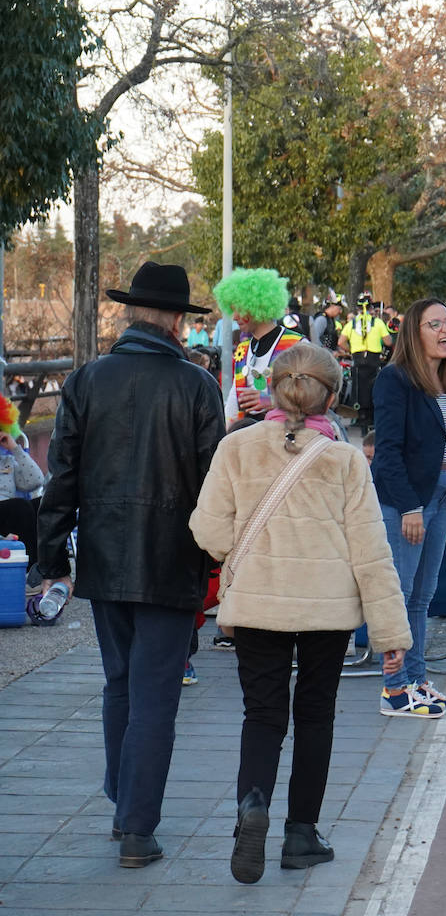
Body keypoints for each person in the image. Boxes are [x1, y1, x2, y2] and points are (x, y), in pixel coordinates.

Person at [188, 343, 412, 884]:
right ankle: (301, 834)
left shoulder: (236, 448)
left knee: (262, 715)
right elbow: (370, 552)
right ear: (331, 395)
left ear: (271, 390)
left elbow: (208, 532)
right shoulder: (345, 461)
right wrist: (390, 633)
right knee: (316, 716)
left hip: (259, 605)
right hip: (328, 612)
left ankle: (252, 807)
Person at [35, 261, 225, 868]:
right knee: (155, 695)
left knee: (120, 683)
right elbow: (213, 487)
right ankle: (138, 826)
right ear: (175, 320)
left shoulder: (87, 380)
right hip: (174, 559)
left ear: (130, 314)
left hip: (106, 555)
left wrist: (51, 558)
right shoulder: (198, 387)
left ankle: (125, 805)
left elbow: (59, 478)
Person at [371, 298, 446, 717]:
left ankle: (416, 681)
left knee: (422, 597)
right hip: (409, 503)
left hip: (440, 496)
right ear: (413, 334)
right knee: (398, 597)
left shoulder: (444, 382)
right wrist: (409, 507)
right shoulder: (394, 380)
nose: (445, 330)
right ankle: (393, 690)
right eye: (433, 324)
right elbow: (388, 453)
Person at [215, 268, 307, 424]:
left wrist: (272, 401)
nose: (235, 316)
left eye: (241, 309)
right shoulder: (242, 349)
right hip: (250, 437)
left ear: (258, 306)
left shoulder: (297, 345)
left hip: (286, 435)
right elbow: (234, 399)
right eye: (233, 309)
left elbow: (314, 391)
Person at [0, 401, 47, 591]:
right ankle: (27, 572)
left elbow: (36, 481)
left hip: (10, 514)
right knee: (20, 506)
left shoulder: (7, 460)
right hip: (10, 510)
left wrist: (15, 449)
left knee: (42, 504)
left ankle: (43, 569)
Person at [341, 293, 392, 431]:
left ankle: (360, 416)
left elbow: (341, 342)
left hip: (358, 358)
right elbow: (388, 341)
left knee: (359, 387)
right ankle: (371, 415)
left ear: (358, 308)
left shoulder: (351, 324)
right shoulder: (378, 323)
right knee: (372, 386)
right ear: (370, 308)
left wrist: (351, 349)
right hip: (373, 358)